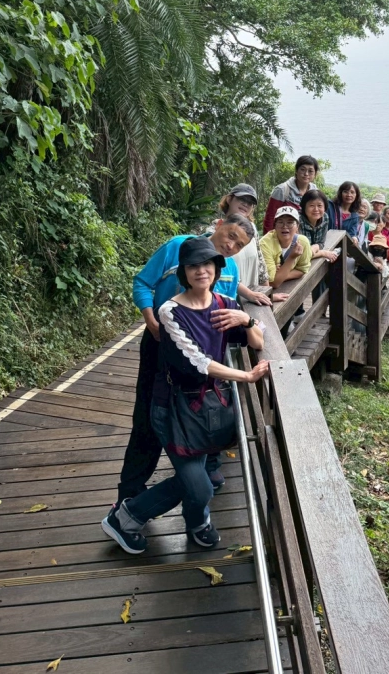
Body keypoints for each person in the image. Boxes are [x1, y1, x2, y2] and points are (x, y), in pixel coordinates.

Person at [102, 237, 269, 554]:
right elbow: (199, 363)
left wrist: (246, 319)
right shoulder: (170, 312)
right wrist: (246, 376)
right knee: (200, 484)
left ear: (217, 270)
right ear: (183, 273)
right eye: (194, 266)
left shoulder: (224, 304)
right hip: (173, 408)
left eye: (208, 265)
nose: (202, 271)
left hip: (206, 408)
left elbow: (258, 342)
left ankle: (197, 521)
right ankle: (126, 517)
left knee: (200, 475)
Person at [117, 214, 255, 508]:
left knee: (200, 409)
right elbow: (142, 283)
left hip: (201, 357)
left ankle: (205, 469)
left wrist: (244, 320)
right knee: (149, 416)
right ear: (219, 225)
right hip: (160, 345)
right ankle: (130, 491)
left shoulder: (227, 268)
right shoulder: (176, 247)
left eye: (239, 244)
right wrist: (150, 319)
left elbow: (223, 310)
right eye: (230, 235)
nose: (230, 245)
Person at [260, 206, 312, 288]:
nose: (285, 226)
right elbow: (272, 283)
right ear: (275, 226)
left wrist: (281, 274)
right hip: (265, 293)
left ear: (297, 226)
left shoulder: (303, 242)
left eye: (290, 222)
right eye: (280, 222)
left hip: (291, 287)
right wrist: (292, 258)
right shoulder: (265, 244)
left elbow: (302, 269)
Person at [263, 155, 318, 233]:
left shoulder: (314, 191)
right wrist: (268, 239)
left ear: (315, 174)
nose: (306, 174)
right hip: (284, 236)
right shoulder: (282, 190)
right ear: (296, 171)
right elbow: (270, 217)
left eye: (310, 171)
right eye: (302, 169)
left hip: (307, 236)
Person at [299, 189, 338, 263]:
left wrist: (315, 247)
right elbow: (302, 255)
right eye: (311, 205)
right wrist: (323, 253)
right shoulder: (297, 222)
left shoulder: (325, 218)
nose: (316, 209)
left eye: (319, 205)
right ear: (304, 207)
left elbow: (321, 243)